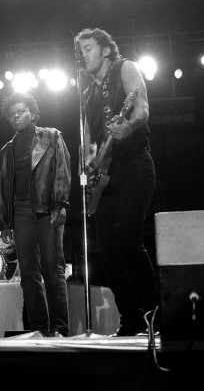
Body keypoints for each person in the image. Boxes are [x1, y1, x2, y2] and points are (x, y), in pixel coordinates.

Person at [75, 27, 158, 336]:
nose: (82, 54)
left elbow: (143, 109)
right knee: (106, 250)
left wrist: (130, 126)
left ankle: (154, 313)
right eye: (80, 49)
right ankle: (131, 318)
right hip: (104, 176)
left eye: (87, 48)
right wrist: (88, 167)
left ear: (105, 50)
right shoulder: (86, 94)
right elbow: (88, 143)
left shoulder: (126, 67)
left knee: (127, 239)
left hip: (134, 163)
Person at [0, 92, 71, 337]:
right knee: (28, 274)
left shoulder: (50, 136)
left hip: (47, 207)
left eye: (21, 111)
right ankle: (40, 329)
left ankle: (60, 327)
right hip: (20, 211)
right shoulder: (7, 149)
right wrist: (5, 222)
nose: (16, 116)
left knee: (53, 268)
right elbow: (4, 187)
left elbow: (62, 169)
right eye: (12, 113)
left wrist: (60, 203)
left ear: (32, 113)